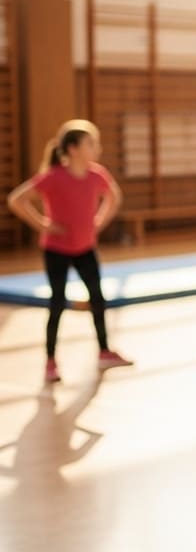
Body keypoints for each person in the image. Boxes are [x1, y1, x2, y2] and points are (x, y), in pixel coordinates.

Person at [6, 120, 133, 383]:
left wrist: (98, 221)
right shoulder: (54, 177)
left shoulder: (97, 174)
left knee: (97, 298)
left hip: (85, 247)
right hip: (57, 250)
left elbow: (114, 197)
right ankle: (50, 361)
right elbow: (16, 199)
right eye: (91, 143)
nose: (97, 148)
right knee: (57, 303)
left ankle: (104, 351)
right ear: (73, 149)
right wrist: (43, 224)